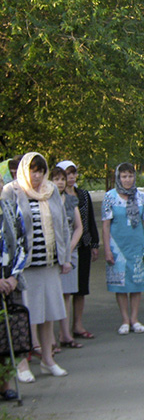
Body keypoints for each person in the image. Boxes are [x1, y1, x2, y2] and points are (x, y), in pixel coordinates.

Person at [2, 153, 72, 378]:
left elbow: (63, 226)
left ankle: (47, 360)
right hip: (24, 267)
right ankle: (22, 363)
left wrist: (65, 257)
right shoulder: (12, 191)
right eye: (33, 171)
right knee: (26, 315)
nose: (37, 176)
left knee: (49, 312)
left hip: (49, 263)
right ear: (25, 171)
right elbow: (7, 227)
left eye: (41, 171)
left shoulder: (51, 191)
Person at [102, 163, 144, 335]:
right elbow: (106, 225)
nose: (127, 180)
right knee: (120, 285)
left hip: (137, 245)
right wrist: (107, 249)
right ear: (118, 178)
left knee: (137, 282)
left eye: (130, 176)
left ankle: (134, 319)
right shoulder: (110, 197)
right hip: (118, 247)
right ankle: (124, 320)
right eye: (124, 176)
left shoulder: (142, 197)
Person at [56, 160, 99, 339]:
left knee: (81, 288)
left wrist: (94, 243)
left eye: (73, 173)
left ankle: (78, 325)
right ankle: (63, 330)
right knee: (65, 291)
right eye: (67, 174)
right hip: (64, 248)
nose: (71, 177)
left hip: (83, 245)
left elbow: (89, 219)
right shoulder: (56, 196)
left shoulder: (83, 194)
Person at [51, 167, 83, 349]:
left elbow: (78, 227)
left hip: (70, 252)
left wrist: (70, 248)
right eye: (56, 179)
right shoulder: (45, 200)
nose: (60, 182)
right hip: (51, 254)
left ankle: (65, 335)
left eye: (62, 179)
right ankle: (50, 340)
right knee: (52, 295)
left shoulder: (71, 200)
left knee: (66, 294)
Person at [0, 196, 27, 396]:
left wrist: (14, 276)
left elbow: (22, 241)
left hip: (9, 280)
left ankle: (5, 385)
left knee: (5, 334)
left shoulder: (10, 208)